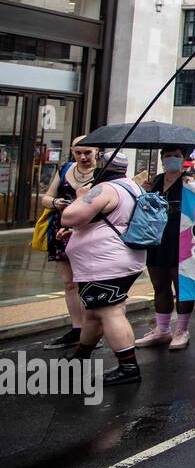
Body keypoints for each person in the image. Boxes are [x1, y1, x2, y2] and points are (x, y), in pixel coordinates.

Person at [56, 153, 148, 386]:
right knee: (93, 313)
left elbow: (69, 216)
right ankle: (81, 356)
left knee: (110, 311)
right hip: (119, 258)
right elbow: (109, 219)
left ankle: (128, 367)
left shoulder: (105, 189)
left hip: (104, 262)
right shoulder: (131, 186)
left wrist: (81, 197)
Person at [135, 147, 195, 351]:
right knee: (160, 285)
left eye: (176, 156)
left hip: (182, 241)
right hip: (156, 240)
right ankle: (162, 330)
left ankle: (181, 329)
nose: (172, 159)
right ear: (162, 159)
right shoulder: (155, 182)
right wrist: (143, 191)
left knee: (182, 287)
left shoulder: (190, 179)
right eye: (168, 156)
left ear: (183, 160)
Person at [39, 137, 100, 351]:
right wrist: (56, 202)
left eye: (87, 152)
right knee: (69, 283)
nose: (83, 157)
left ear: (97, 151)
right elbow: (46, 197)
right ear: (72, 152)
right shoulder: (65, 169)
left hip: (87, 232)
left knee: (86, 281)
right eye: (78, 152)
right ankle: (76, 329)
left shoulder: (103, 174)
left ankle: (90, 330)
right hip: (59, 231)